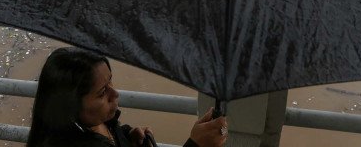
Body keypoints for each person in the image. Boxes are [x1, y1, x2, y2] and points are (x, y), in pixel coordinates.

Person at [27, 47, 228, 147]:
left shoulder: (95, 123)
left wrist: (125, 137)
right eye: (102, 92)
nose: (115, 94)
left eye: (111, 82)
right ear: (69, 105)